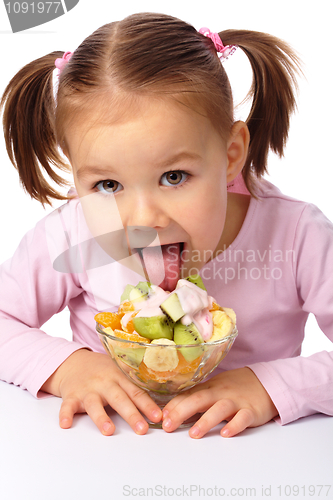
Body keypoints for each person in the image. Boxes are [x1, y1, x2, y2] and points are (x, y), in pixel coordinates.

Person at [0, 12, 332, 439]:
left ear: (231, 155)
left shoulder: (296, 236)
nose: (143, 219)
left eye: (173, 177)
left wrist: (271, 386)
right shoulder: (72, 232)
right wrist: (69, 368)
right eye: (107, 184)